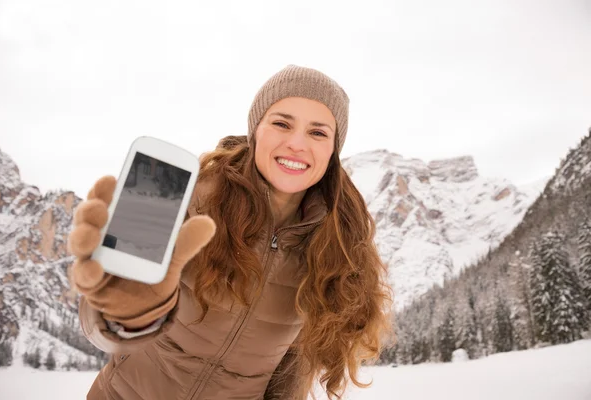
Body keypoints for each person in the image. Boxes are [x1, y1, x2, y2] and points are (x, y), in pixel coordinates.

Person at [68, 65, 394, 400]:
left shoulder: (335, 247)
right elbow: (101, 327)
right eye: (281, 123)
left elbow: (291, 374)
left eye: (318, 133)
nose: (297, 143)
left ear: (332, 151)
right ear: (256, 131)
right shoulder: (189, 198)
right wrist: (127, 315)